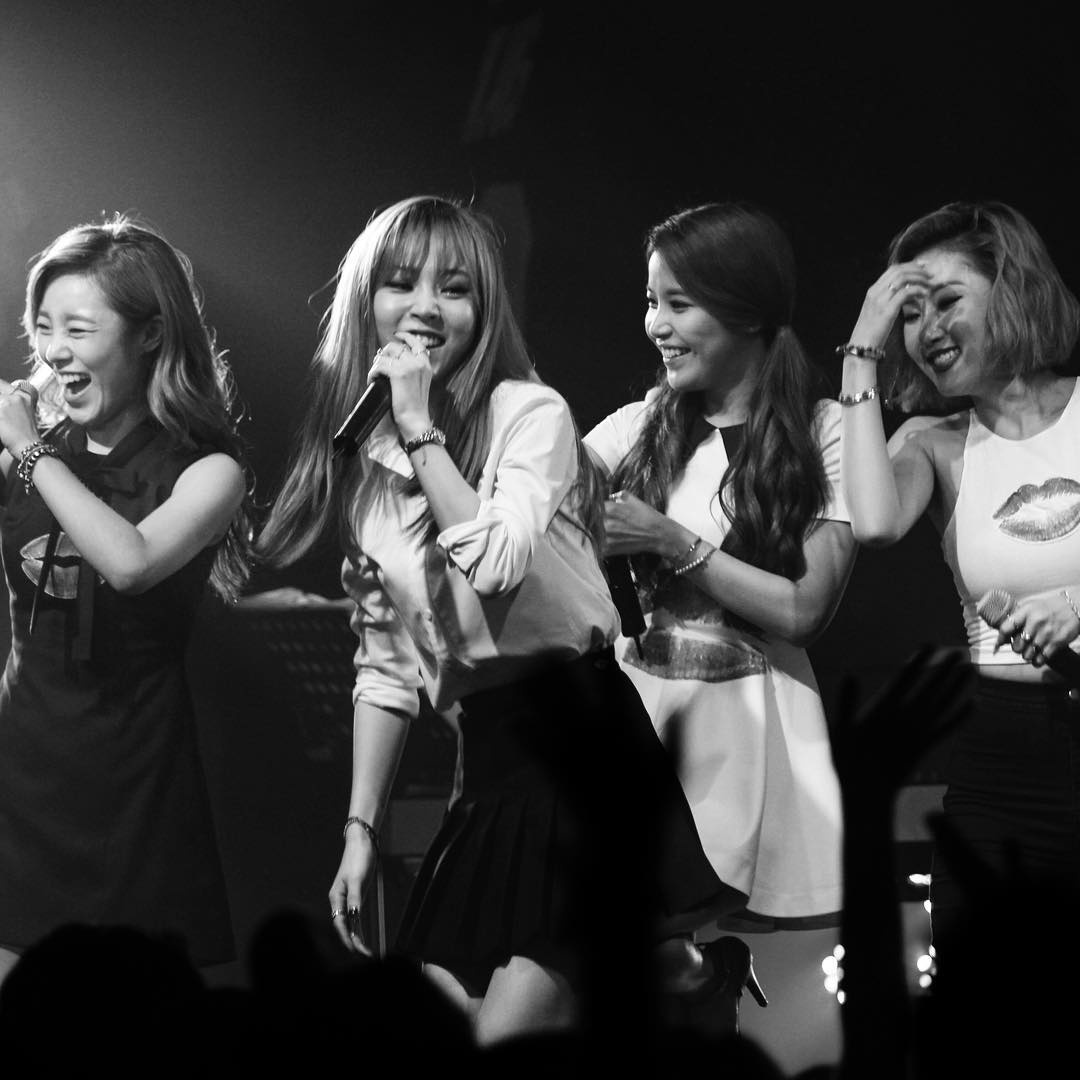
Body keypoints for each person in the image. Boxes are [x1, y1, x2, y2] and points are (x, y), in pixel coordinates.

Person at [255, 195, 728, 1049]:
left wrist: (418, 427)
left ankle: (685, 986)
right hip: (486, 762)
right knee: (442, 1023)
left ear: (487, 309)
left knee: (504, 1041)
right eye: (402, 284)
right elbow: (387, 668)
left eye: (455, 289)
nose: (427, 308)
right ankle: (682, 983)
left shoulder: (528, 414)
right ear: (366, 302)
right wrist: (360, 830)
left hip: (580, 744)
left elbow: (497, 561)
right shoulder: (367, 472)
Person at [583, 202, 857, 1024]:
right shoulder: (639, 427)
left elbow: (804, 610)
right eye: (650, 302)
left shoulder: (824, 431)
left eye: (679, 303)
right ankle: (704, 976)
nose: (655, 325)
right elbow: (528, 503)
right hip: (645, 727)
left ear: (746, 309)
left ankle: (707, 984)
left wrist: (672, 542)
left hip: (748, 734)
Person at [0, 215, 253, 985]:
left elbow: (131, 563)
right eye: (45, 328)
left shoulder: (207, 471)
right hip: (19, 771)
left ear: (149, 335)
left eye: (78, 329)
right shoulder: (32, 456)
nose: (55, 351)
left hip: (131, 784)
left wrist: (30, 449)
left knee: (118, 1019)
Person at [837, 199, 1080, 974]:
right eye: (909, 315)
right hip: (1003, 758)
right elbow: (873, 523)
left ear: (1011, 290)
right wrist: (860, 353)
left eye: (947, 302)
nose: (928, 330)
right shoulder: (931, 443)